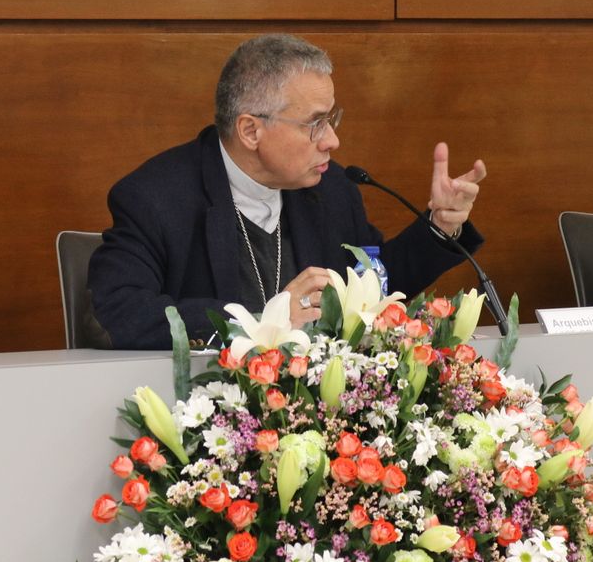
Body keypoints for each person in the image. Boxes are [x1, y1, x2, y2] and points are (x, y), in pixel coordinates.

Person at [88, 34, 488, 348]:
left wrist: (439, 226)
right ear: (251, 130)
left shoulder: (331, 188)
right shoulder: (156, 198)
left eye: (331, 119)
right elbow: (117, 313)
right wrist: (267, 319)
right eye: (314, 123)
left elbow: (374, 283)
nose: (331, 140)